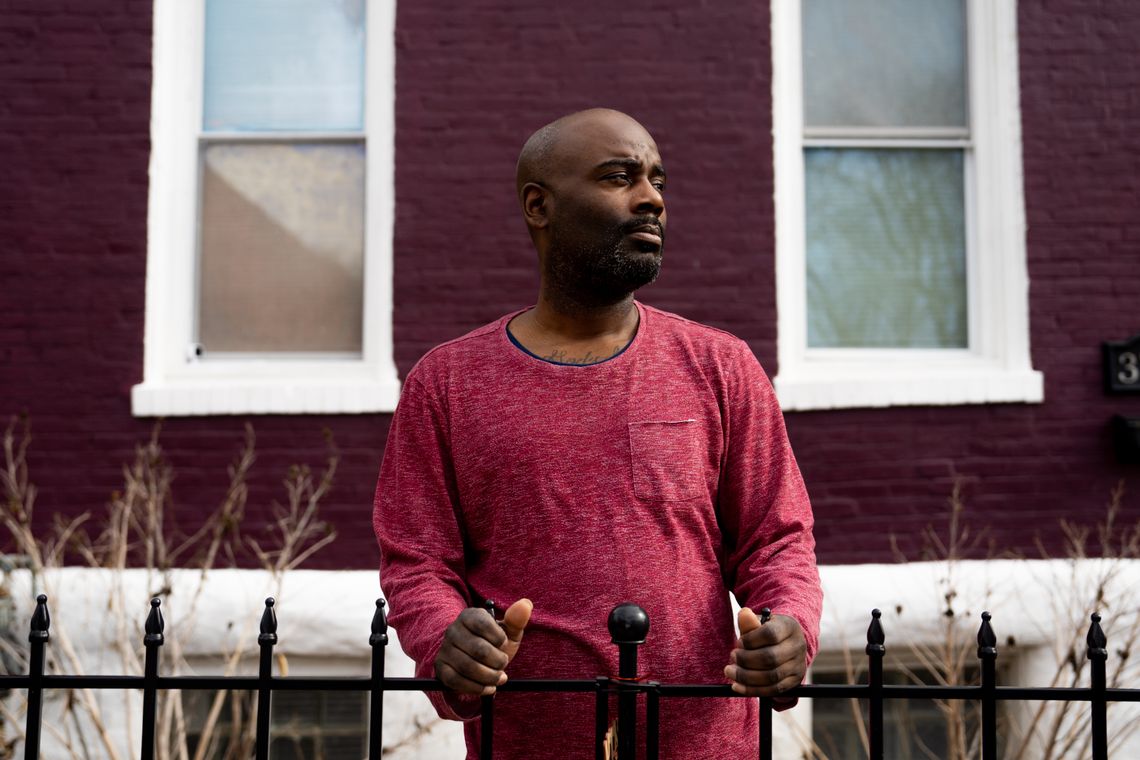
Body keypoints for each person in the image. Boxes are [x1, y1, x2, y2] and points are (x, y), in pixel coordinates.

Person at [373, 108, 822, 758]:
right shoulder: (446, 384)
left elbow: (776, 540)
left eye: (658, 181)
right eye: (620, 177)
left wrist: (789, 629)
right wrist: (446, 636)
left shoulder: (721, 367)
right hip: (526, 746)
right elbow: (416, 562)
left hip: (705, 746)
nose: (652, 199)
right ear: (540, 205)